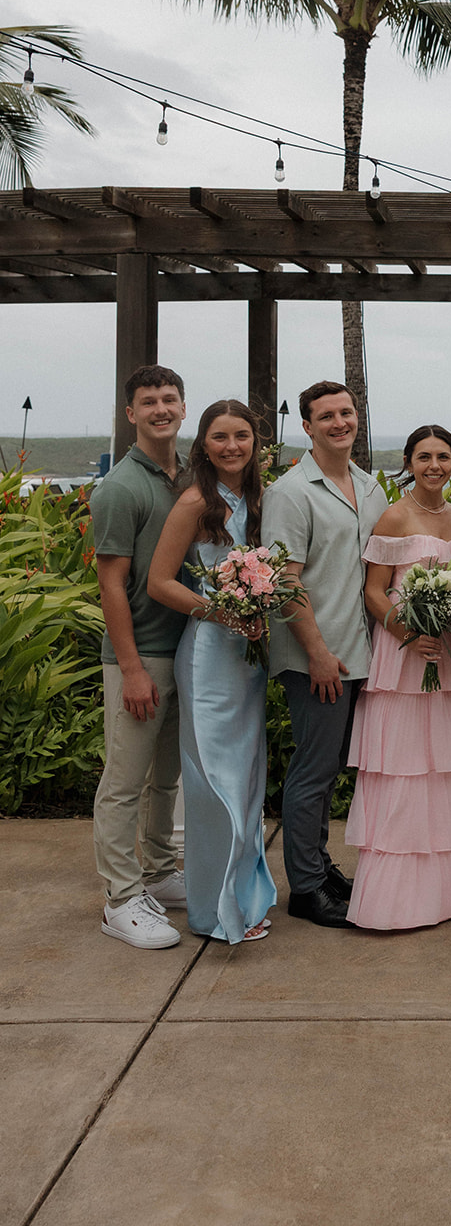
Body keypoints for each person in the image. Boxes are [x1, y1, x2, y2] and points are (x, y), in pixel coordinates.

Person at [345, 425, 451, 929]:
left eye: (444, 457)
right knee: (402, 767)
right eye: (424, 456)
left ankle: (446, 886)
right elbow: (375, 591)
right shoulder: (395, 514)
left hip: (443, 654)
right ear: (408, 460)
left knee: (441, 768)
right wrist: (409, 632)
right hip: (402, 656)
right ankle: (394, 895)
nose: (435, 465)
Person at [147, 401, 277, 944]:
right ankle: (209, 912)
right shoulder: (196, 502)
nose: (231, 446)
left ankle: (242, 901)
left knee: (246, 779)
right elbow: (160, 581)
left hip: (246, 659)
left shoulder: (257, 498)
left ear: (255, 441)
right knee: (210, 786)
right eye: (219, 437)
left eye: (241, 435)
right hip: (207, 657)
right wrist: (222, 611)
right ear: (203, 443)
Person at [262, 382, 388, 927]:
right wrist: (315, 652)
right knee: (313, 771)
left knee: (331, 766)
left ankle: (319, 866)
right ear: (307, 427)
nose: (340, 422)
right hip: (318, 656)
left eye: (347, 412)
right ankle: (307, 890)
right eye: (326, 416)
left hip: (360, 651)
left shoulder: (368, 485)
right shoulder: (291, 492)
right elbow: (283, 581)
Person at [90, 365, 189, 949]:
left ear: (182, 407)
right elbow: (111, 584)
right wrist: (129, 668)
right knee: (125, 780)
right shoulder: (121, 487)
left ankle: (158, 870)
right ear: (130, 413)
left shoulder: (185, 479)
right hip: (141, 656)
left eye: (169, 399)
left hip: (187, 653)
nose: (160, 409)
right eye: (148, 401)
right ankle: (120, 898)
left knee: (166, 778)